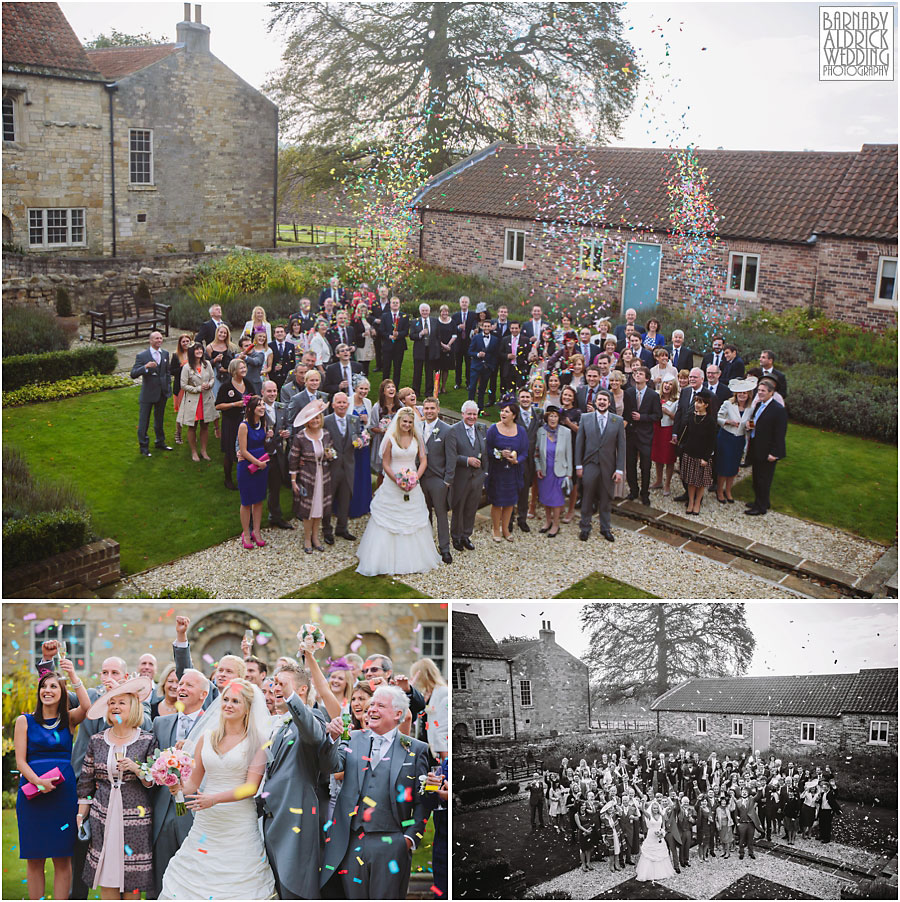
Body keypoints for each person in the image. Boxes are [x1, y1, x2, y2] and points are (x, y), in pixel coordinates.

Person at [159, 679, 275, 900]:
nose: (228, 705)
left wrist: (214, 799)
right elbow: (193, 783)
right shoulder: (207, 738)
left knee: (237, 882)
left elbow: (250, 787)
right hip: (207, 822)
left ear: (247, 708)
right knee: (194, 876)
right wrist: (177, 787)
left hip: (238, 822)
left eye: (235, 701)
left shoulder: (258, 741)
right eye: (226, 700)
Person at [321, 686, 430, 900]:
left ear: (398, 714)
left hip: (392, 842)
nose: (371, 709)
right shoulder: (351, 738)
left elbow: (422, 801)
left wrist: (408, 839)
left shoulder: (416, 749)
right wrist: (332, 739)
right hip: (352, 842)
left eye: (380, 705)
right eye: (372, 705)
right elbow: (330, 766)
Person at [261, 659, 341, 899]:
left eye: (281, 683)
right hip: (269, 818)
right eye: (274, 683)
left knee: (296, 889)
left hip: (295, 818)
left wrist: (290, 698)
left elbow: (315, 735)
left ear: (302, 690)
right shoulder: (273, 725)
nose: (276, 688)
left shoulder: (313, 718)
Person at [15, 662, 90, 901]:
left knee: (62, 856)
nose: (47, 691)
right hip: (31, 794)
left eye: (54, 687)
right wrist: (37, 782)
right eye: (44, 687)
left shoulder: (68, 719)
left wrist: (72, 675)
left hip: (62, 794)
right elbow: (20, 761)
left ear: (62, 693)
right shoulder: (24, 721)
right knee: (35, 857)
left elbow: (87, 707)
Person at [77, 677, 157, 898]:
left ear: (133, 707)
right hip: (103, 815)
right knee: (107, 876)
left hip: (135, 818)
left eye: (121, 702)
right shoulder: (97, 740)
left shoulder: (147, 740)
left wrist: (136, 768)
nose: (115, 707)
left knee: (132, 880)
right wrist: (81, 814)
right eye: (112, 703)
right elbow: (86, 782)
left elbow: (152, 781)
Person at [356, 406, 441, 575]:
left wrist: (415, 478)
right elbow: (386, 463)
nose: (407, 425)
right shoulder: (390, 439)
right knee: (388, 519)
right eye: (405, 421)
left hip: (412, 483)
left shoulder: (417, 438)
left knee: (413, 518)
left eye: (410, 422)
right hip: (392, 482)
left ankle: (414, 559)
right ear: (399, 421)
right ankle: (382, 558)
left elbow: (423, 460)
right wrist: (397, 480)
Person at [149, 669, 210, 897]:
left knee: (194, 871)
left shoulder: (213, 726)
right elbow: (150, 762)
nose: (180, 688)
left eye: (188, 685)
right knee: (162, 872)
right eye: (180, 684)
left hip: (196, 807)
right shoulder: (160, 723)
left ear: (204, 694)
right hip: (164, 808)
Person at [576, 389, 625, 542]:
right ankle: (585, 527)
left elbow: (621, 447)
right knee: (587, 497)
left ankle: (605, 528)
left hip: (608, 466)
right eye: (600, 400)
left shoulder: (617, 421)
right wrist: (578, 465)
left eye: (605, 400)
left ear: (609, 403)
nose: (602, 402)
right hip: (590, 463)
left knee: (605, 498)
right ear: (595, 402)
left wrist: (619, 469)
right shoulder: (585, 418)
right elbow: (579, 444)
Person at [289, 399, 333, 554]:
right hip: (307, 477)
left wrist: (329, 455)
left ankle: (316, 536)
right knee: (308, 510)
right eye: (312, 418)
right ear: (307, 421)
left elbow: (330, 452)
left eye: (318, 418)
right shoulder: (301, 437)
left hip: (323, 476)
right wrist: (293, 481)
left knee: (319, 509)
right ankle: (307, 538)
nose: (315, 421)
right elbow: (293, 459)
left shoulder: (326, 434)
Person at [446, 400, 487, 551]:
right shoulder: (453, 430)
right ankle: (456, 537)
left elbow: (485, 453)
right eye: (469, 414)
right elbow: (450, 456)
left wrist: (485, 473)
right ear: (462, 414)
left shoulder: (481, 429)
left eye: (474, 414)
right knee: (459, 507)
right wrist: (467, 460)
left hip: (477, 477)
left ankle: (466, 535)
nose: (471, 417)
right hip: (461, 476)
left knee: (471, 508)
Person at [484, 401, 529, 542]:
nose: (503, 413)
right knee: (497, 502)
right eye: (502, 411)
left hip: (513, 472)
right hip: (497, 472)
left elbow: (524, 452)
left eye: (506, 411)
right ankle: (496, 529)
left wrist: (517, 460)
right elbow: (487, 449)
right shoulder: (493, 429)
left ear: (514, 415)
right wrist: (498, 454)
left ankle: (506, 528)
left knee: (510, 502)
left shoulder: (521, 431)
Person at [745, 377, 788, 516]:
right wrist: (749, 426)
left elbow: (780, 433)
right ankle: (761, 500)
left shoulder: (778, 409)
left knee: (764, 479)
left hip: (768, 450)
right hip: (756, 446)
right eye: (759, 390)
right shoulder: (759, 405)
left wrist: (774, 453)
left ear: (771, 392)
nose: (760, 393)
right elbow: (754, 421)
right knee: (757, 477)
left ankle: (761, 507)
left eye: (763, 391)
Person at [323, 391, 360, 543]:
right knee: (328, 499)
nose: (342, 405)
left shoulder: (354, 420)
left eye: (344, 402)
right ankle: (326, 530)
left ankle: (342, 528)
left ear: (348, 404)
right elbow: (322, 441)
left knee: (346, 497)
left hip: (349, 465)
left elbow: (357, 436)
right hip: (332, 467)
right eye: (339, 402)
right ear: (333, 405)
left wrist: (360, 441)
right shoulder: (326, 420)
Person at [421, 397, 454, 564]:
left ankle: (445, 548)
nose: (429, 411)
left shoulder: (446, 430)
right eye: (426, 408)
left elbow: (451, 457)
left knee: (441, 514)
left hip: (438, 479)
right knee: (424, 513)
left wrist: (447, 481)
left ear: (438, 410)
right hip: (420, 479)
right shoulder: (417, 427)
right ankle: (426, 546)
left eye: (432, 408)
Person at [623, 366, 662, 505]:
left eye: (640, 374)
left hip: (645, 435)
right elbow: (626, 413)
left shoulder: (653, 395)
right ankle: (633, 490)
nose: (637, 376)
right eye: (635, 373)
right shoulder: (628, 393)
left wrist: (643, 417)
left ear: (647, 378)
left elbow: (658, 415)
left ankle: (645, 493)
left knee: (645, 466)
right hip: (631, 435)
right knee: (630, 464)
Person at [131, 331, 173, 458]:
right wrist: (146, 367)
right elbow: (133, 373)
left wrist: (168, 387)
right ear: (150, 340)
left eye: (160, 338)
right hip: (148, 394)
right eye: (156, 338)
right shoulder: (142, 356)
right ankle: (143, 446)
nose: (159, 340)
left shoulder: (165, 354)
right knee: (144, 421)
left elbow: (166, 372)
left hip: (162, 393)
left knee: (159, 420)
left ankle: (160, 442)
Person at [235, 395, 269, 549]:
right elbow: (243, 450)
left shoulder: (263, 423)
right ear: (251, 409)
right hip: (248, 465)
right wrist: (258, 463)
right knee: (247, 501)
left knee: (259, 500)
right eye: (259, 405)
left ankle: (257, 530)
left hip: (261, 462)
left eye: (263, 405)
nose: (262, 408)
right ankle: (246, 533)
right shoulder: (243, 426)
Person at [259, 380, 294, 530]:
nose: (273, 394)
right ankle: (253, 522)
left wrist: (288, 432)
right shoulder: (257, 409)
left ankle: (275, 517)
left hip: (277, 455)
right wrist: (264, 435)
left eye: (274, 391)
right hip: (260, 456)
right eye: (269, 391)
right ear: (262, 392)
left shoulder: (282, 408)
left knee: (275, 487)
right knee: (259, 490)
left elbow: (290, 424)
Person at [715, 377, 755, 503]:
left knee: (734, 466)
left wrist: (749, 426)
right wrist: (728, 421)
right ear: (736, 393)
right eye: (740, 393)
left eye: (745, 393)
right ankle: (720, 490)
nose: (742, 395)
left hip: (739, 440)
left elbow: (751, 422)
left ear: (748, 394)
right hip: (726, 437)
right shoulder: (728, 404)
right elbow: (718, 417)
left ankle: (728, 490)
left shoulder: (751, 408)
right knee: (723, 465)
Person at [176, 342, 217, 462]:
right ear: (191, 352)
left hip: (206, 399)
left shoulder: (207, 364)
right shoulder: (186, 367)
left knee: (205, 425)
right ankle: (194, 451)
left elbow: (212, 378)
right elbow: (183, 385)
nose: (199, 351)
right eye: (196, 350)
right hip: (193, 401)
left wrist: (209, 385)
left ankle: (203, 450)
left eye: (200, 349)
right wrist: (197, 389)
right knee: (192, 427)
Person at [535, 405, 572, 537]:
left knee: (556, 500)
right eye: (550, 416)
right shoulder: (541, 432)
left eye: (555, 416)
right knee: (546, 498)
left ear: (559, 418)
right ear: (547, 417)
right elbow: (536, 453)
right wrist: (538, 467)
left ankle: (556, 524)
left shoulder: (566, 432)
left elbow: (569, 453)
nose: (552, 418)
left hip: (560, 471)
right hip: (545, 471)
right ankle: (548, 521)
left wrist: (569, 473)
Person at [513, 389, 542, 533]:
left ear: (532, 399)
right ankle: (509, 518)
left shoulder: (538, 415)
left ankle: (522, 519)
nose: (525, 399)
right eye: (522, 397)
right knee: (513, 489)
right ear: (519, 399)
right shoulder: (513, 415)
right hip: (516, 458)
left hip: (531, 459)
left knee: (525, 490)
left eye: (527, 397)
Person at [410, 657, 448, 760]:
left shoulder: (443, 693)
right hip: (423, 744)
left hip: (436, 747)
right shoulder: (423, 695)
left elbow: (443, 727)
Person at [348, 378, 374, 519]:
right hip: (350, 443)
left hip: (363, 443)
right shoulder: (348, 401)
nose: (363, 391)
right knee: (352, 473)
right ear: (355, 389)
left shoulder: (368, 403)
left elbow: (368, 424)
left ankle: (364, 504)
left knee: (363, 472)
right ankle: (350, 505)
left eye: (366, 389)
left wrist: (365, 421)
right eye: (361, 389)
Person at [650, 374, 679, 495]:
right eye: (666, 383)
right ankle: (658, 480)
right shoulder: (656, 396)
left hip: (668, 430)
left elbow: (678, 418)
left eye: (670, 384)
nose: (667, 386)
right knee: (658, 457)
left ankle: (667, 484)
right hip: (657, 429)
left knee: (669, 458)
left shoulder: (676, 400)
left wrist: (667, 412)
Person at [370, 378, 400, 481]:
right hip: (383, 442)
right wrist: (383, 430)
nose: (391, 389)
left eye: (393, 387)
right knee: (382, 472)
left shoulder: (400, 405)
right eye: (388, 387)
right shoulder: (377, 407)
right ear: (383, 391)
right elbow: (372, 427)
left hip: (397, 441)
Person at [468, 317, 501, 409]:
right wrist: (477, 354)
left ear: (491, 328)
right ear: (482, 327)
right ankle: (470, 406)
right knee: (472, 387)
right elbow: (470, 351)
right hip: (476, 366)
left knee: (482, 389)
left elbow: (495, 354)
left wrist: (492, 366)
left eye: (488, 326)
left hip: (487, 367)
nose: (486, 328)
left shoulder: (495, 339)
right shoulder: (476, 337)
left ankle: (480, 408)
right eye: (485, 326)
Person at [411, 302, 441, 398]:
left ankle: (429, 392)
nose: (425, 312)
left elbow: (438, 336)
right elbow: (411, 336)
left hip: (431, 350)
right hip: (419, 350)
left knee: (429, 372)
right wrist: (420, 333)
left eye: (426, 310)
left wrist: (437, 349)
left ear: (429, 311)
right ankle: (416, 391)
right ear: (420, 311)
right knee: (417, 372)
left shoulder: (435, 321)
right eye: (423, 310)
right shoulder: (415, 321)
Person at [380, 296, 409, 384]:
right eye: (393, 303)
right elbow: (381, 330)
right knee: (386, 368)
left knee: (397, 368)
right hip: (387, 346)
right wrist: (389, 336)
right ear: (390, 304)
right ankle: (385, 387)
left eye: (397, 303)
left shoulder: (404, 316)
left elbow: (406, 331)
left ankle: (395, 387)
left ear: (399, 304)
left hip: (399, 346)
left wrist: (398, 334)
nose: (395, 304)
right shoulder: (385, 316)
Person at [451, 295, 478, 389]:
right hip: (458, 343)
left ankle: (468, 383)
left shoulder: (473, 315)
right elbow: (452, 328)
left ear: (468, 304)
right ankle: (457, 382)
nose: (464, 304)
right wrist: (458, 327)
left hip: (469, 343)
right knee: (458, 364)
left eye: (466, 302)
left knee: (469, 364)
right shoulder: (455, 316)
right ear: (460, 303)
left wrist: (473, 330)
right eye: (462, 302)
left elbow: (476, 325)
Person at [170, 333, 192, 445]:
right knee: (181, 412)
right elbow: (171, 371)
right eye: (183, 341)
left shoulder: (193, 354)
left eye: (187, 341)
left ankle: (190, 434)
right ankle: (178, 433)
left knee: (191, 412)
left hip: (192, 387)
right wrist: (182, 368)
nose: (185, 343)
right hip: (180, 387)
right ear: (180, 343)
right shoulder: (175, 355)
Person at [352, 300, 377, 375]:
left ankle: (366, 379)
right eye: (361, 311)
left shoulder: (368, 319)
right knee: (361, 364)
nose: (363, 312)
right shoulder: (355, 321)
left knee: (367, 363)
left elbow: (372, 328)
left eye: (364, 311)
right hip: (361, 344)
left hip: (369, 343)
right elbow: (354, 334)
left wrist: (374, 332)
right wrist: (363, 334)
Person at [268, 324, 296, 392]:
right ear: (274, 335)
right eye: (277, 332)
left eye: (281, 332)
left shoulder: (291, 346)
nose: (279, 333)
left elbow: (293, 361)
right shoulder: (269, 346)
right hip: (274, 376)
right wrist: (274, 368)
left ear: (285, 334)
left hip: (287, 376)